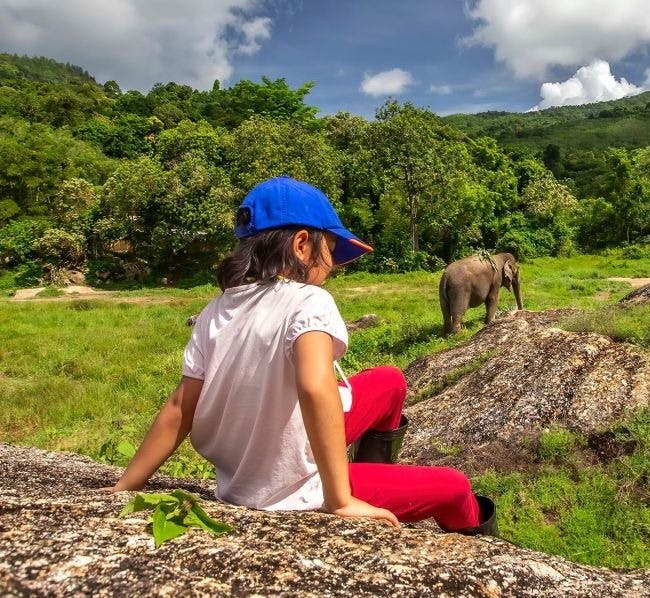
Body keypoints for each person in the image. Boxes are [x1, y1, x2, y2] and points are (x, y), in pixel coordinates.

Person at [110, 176, 496, 535]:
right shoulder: (309, 301)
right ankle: (466, 539)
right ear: (301, 245)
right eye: (330, 249)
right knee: (456, 488)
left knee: (390, 381)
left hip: (247, 469)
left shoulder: (215, 310)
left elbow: (180, 406)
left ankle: (364, 474)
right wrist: (340, 500)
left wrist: (124, 488)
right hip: (292, 486)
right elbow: (314, 387)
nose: (333, 265)